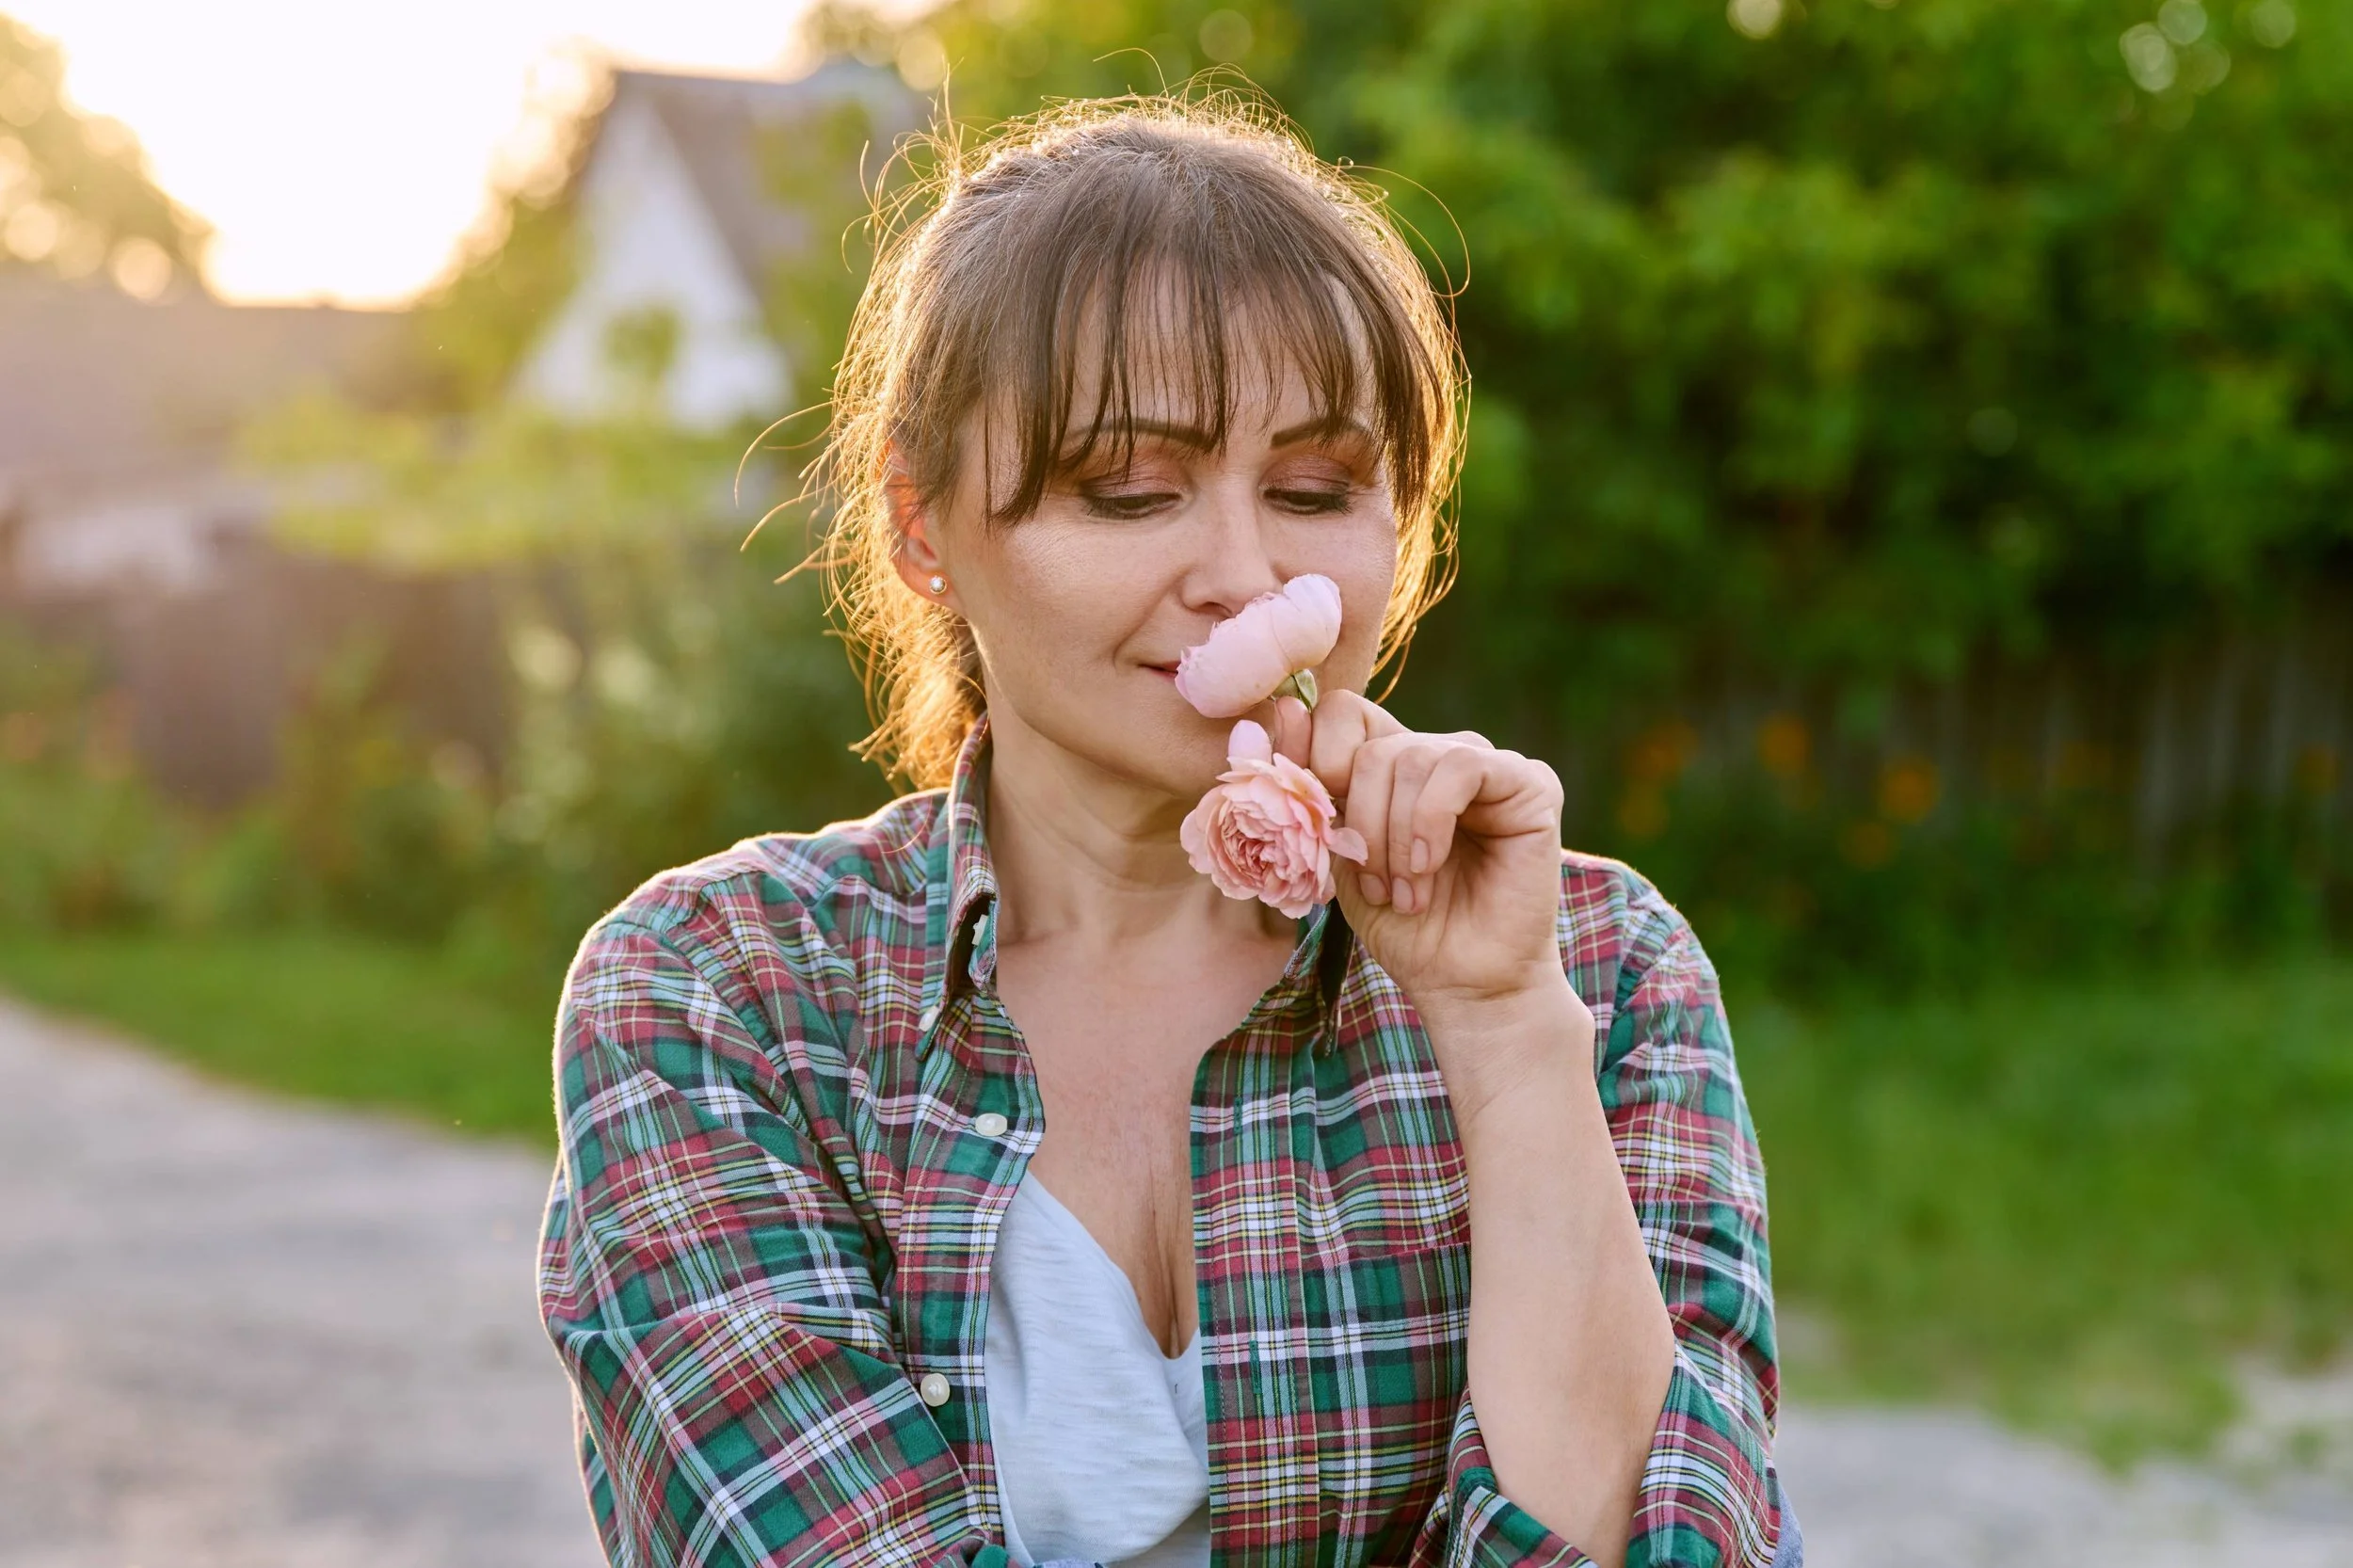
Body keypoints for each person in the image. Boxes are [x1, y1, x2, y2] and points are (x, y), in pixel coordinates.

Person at [536, 92, 1794, 1568]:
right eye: (1131, 490)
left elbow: (1664, 1544)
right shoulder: (719, 991)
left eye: (1317, 491)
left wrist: (1506, 1028)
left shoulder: (1603, 968)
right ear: (921, 525)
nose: (1245, 575)